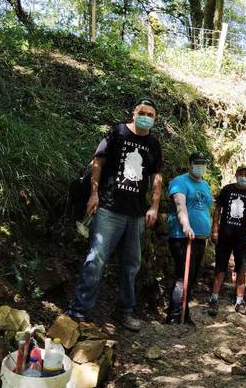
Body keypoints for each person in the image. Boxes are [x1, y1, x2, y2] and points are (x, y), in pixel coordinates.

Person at [67, 99, 163, 331]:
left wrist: (154, 206)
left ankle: (124, 311)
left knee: (131, 265)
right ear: (134, 113)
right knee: (95, 259)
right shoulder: (118, 132)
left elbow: (156, 176)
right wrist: (94, 193)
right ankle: (79, 311)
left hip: (136, 213)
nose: (146, 116)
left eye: (150, 114)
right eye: (142, 112)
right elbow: (98, 162)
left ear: (154, 119)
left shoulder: (153, 143)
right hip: (109, 208)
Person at [165, 151, 214, 325]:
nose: (200, 166)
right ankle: (175, 315)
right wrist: (186, 225)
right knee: (182, 275)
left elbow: (206, 210)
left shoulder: (205, 185)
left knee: (191, 276)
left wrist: (206, 233)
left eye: (203, 163)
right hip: (182, 236)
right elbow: (180, 205)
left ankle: (184, 313)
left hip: (200, 237)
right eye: (197, 162)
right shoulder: (180, 182)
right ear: (190, 164)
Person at [208, 165, 246, 316]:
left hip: (242, 238)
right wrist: (215, 229)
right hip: (225, 235)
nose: (243, 176)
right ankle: (214, 299)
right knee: (220, 267)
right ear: (236, 174)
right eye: (241, 173)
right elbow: (218, 209)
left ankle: (239, 301)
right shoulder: (227, 189)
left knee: (241, 269)